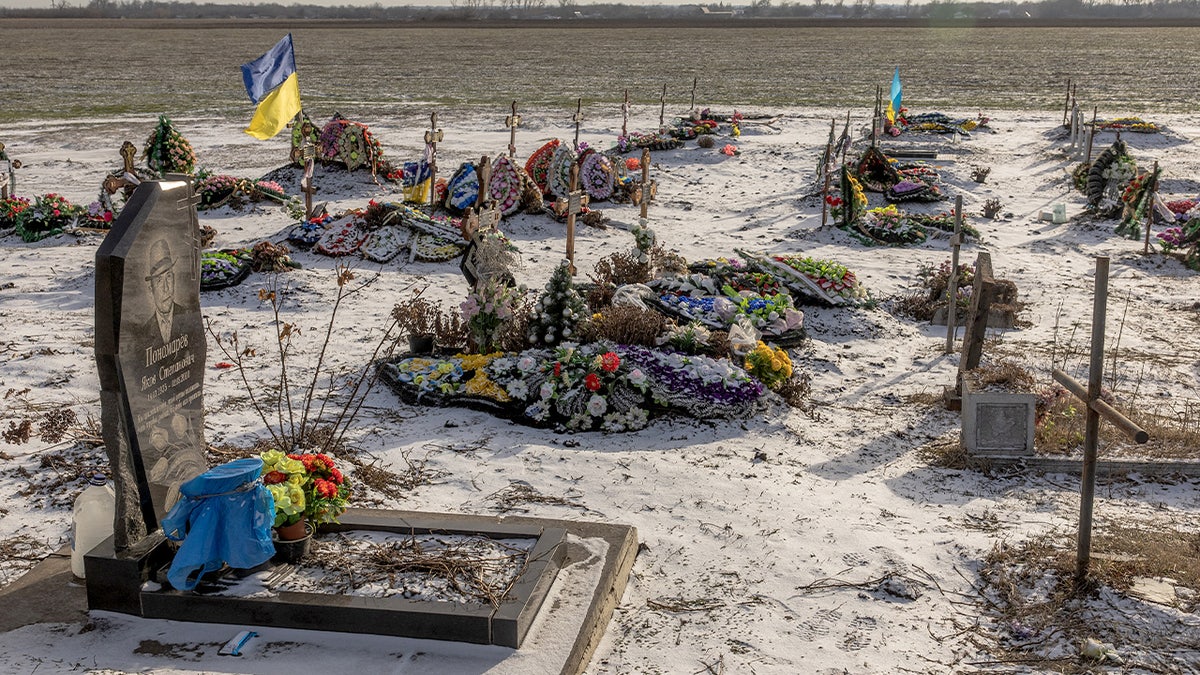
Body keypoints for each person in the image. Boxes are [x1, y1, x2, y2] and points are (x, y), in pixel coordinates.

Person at [139, 239, 189, 346]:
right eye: (159, 280)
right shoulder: (143, 333)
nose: (166, 288)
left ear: (174, 280)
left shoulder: (189, 318)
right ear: (151, 288)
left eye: (169, 277)